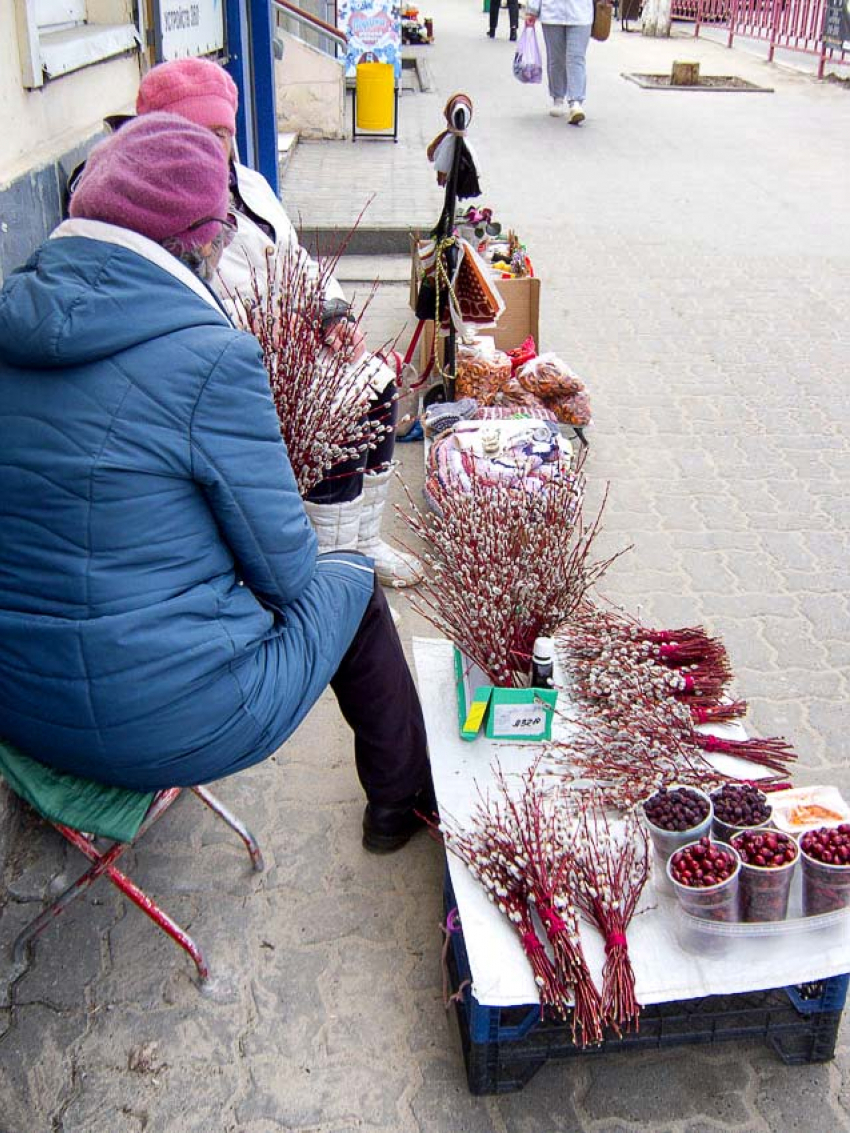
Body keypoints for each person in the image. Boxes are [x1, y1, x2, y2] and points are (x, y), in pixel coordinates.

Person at [0, 114, 433, 854]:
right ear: (202, 241)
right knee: (351, 581)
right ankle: (401, 801)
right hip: (168, 722)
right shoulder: (210, 359)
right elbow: (290, 573)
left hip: (18, 704)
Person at [133, 58, 422, 589]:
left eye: (222, 133)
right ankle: (331, 569)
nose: (214, 148)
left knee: (377, 386)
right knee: (332, 413)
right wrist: (271, 338)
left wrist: (331, 311)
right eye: (198, 134)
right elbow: (192, 318)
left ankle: (361, 542)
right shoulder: (168, 217)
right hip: (240, 369)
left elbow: (298, 262)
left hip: (294, 347)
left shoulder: (251, 185)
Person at [525, 0, 593, 124]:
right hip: (552, 13)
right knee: (556, 59)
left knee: (576, 58)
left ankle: (575, 102)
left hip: (581, 13)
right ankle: (558, 97)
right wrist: (532, 9)